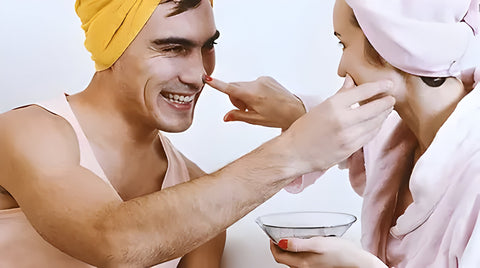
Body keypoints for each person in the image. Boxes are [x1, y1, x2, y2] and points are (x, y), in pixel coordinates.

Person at [0, 0, 396, 267]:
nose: (196, 75)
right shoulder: (26, 133)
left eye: (206, 46)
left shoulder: (199, 195)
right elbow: (113, 241)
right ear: (112, 49)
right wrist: (293, 150)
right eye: (172, 48)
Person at [207, 0, 480, 267]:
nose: (340, 69)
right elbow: (357, 139)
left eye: (343, 44)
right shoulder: (402, 144)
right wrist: (296, 111)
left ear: (389, 45)